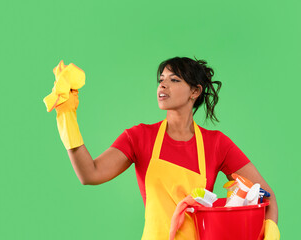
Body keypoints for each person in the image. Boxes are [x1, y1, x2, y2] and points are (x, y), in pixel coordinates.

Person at [44, 57, 280, 240]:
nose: (163, 84)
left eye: (174, 79)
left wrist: (267, 234)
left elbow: (266, 197)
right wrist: (67, 117)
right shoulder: (139, 137)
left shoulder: (217, 144)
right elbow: (89, 174)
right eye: (161, 79)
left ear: (195, 92)